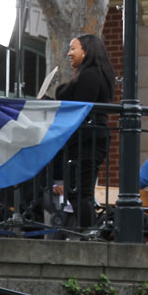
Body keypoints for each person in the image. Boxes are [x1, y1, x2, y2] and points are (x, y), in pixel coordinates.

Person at [53, 34, 116, 231]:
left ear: (86, 51)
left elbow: (80, 105)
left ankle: (88, 233)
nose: (69, 53)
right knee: (78, 191)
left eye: (73, 48)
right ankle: (86, 232)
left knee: (81, 192)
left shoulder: (90, 75)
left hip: (88, 139)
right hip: (87, 138)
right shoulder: (92, 74)